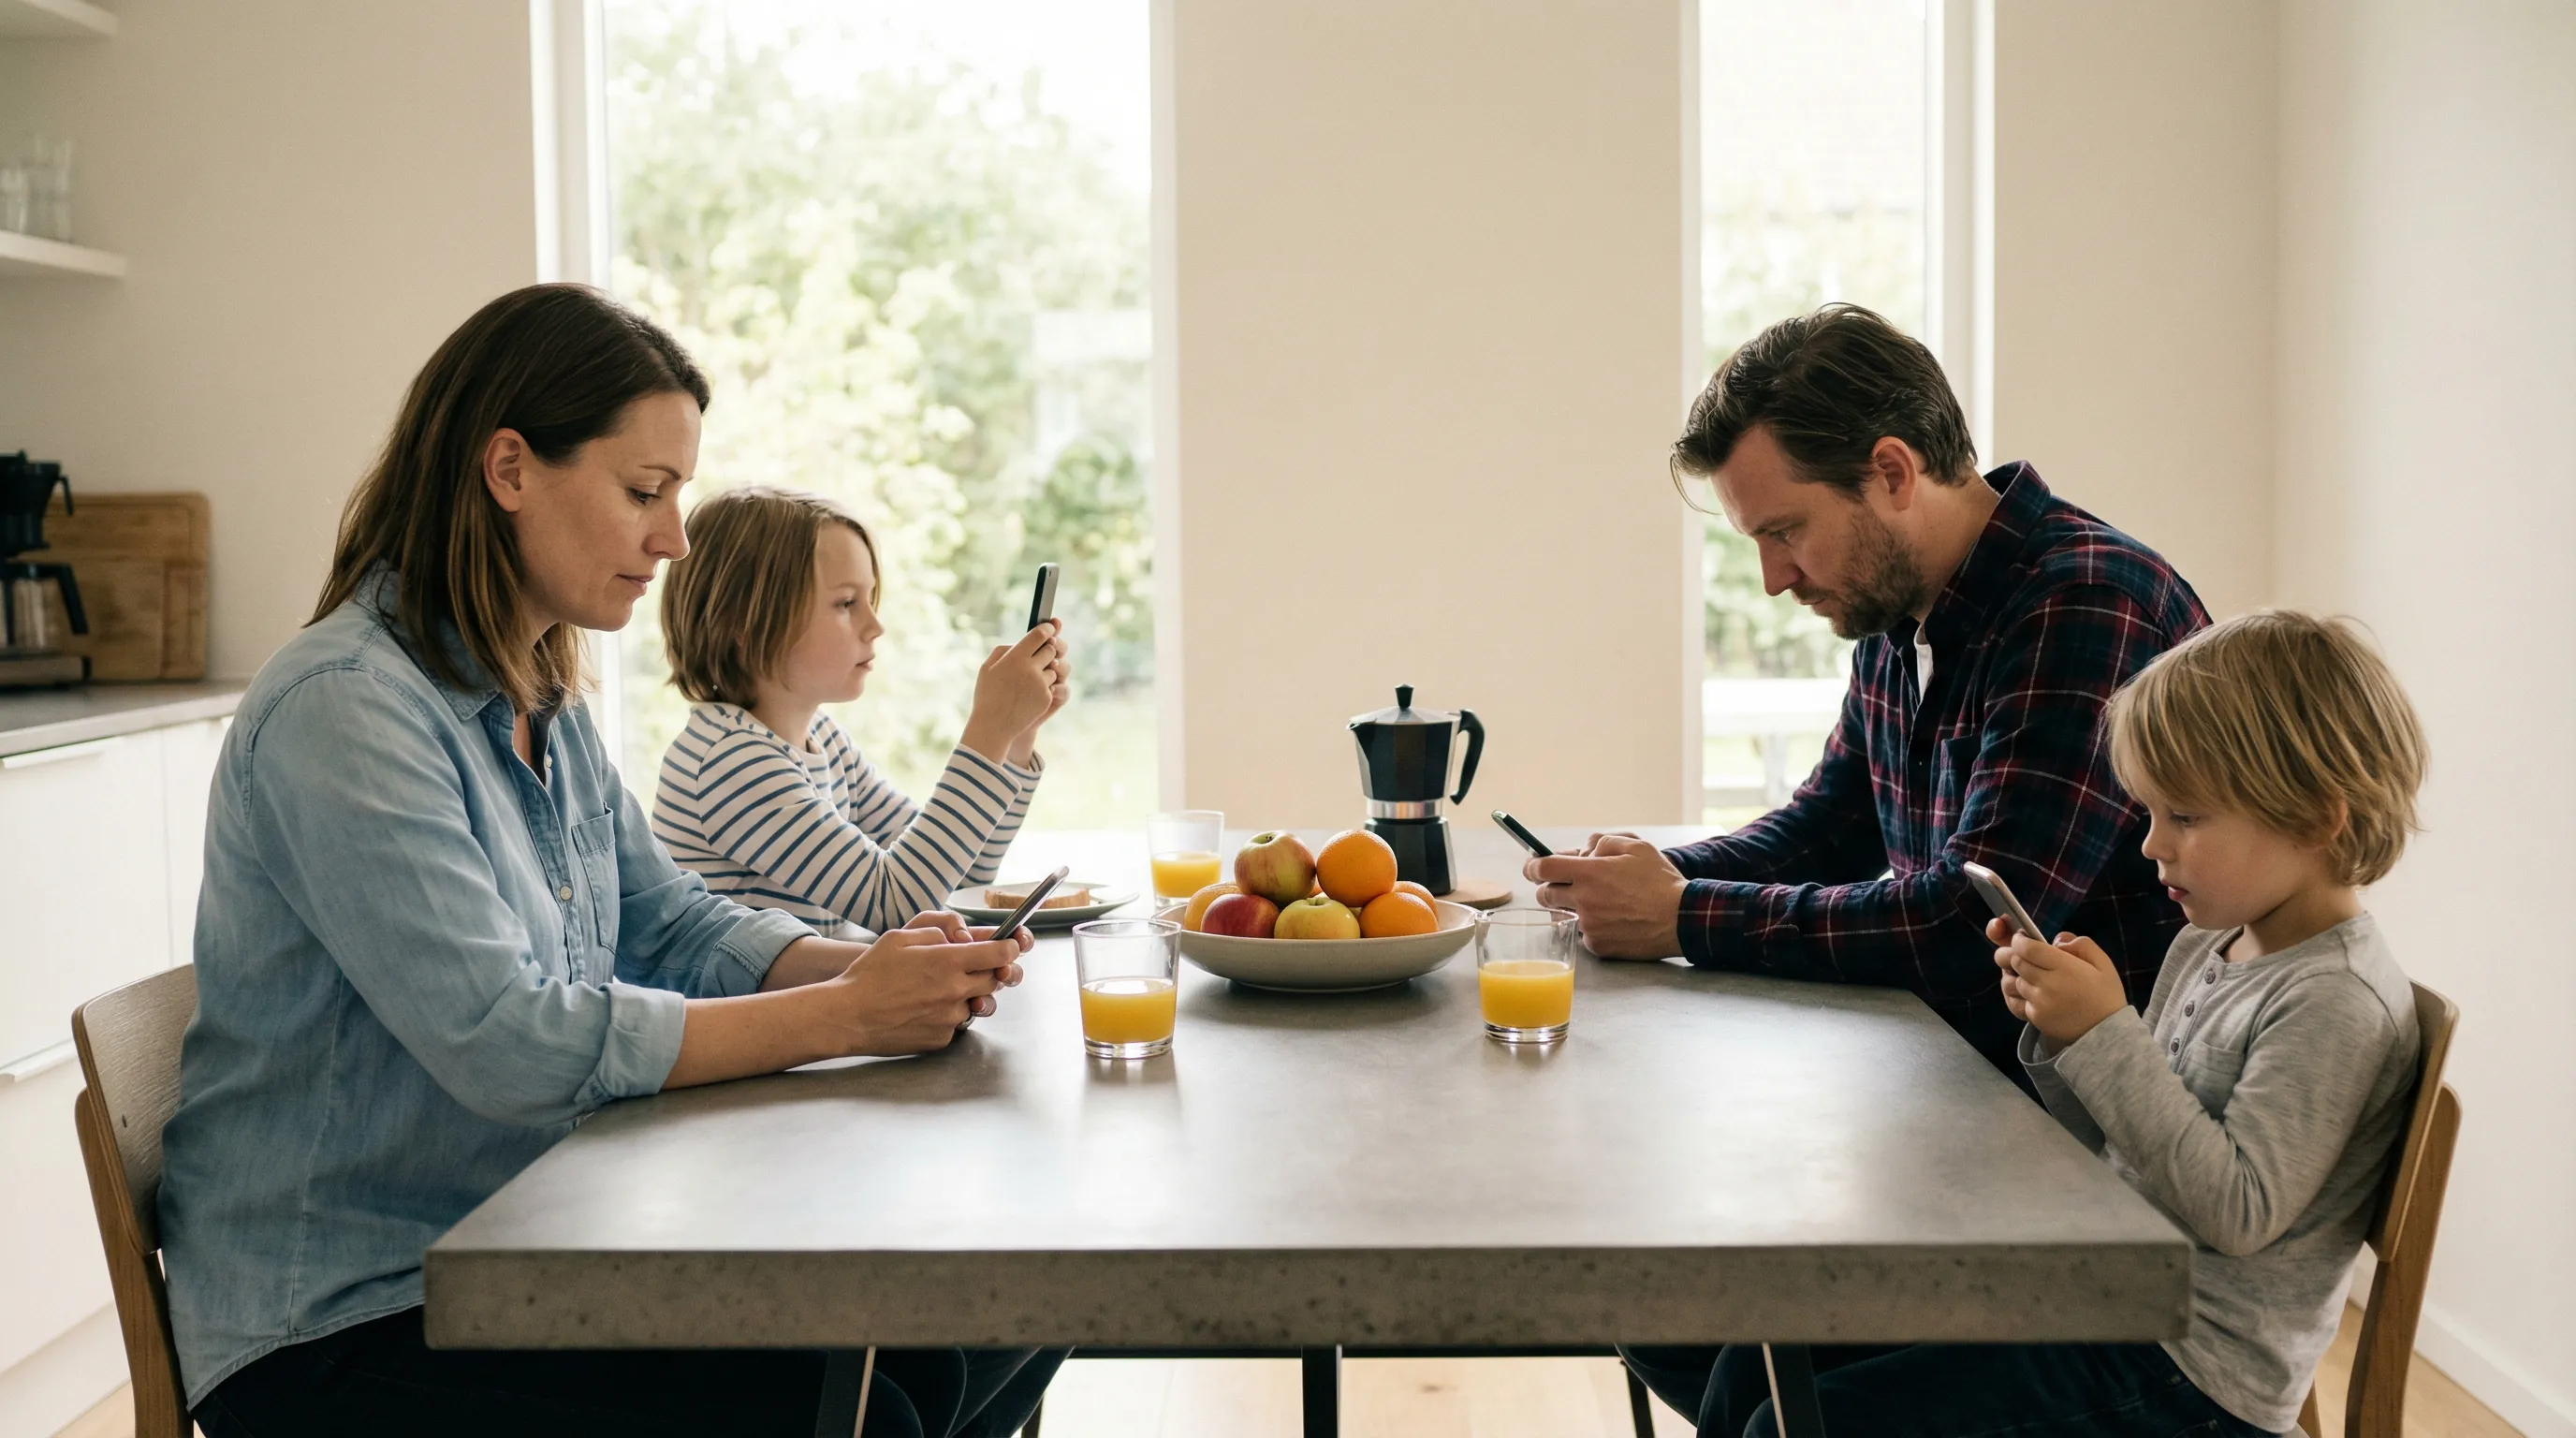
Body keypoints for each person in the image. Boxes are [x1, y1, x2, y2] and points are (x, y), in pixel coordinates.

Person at [157, 284, 1061, 1438]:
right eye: (646, 491)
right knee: (866, 1413)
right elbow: (507, 1039)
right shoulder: (346, 710)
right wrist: (845, 1015)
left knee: (974, 1327)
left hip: (536, 1245)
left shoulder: (542, 687)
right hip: (347, 1323)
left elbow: (666, 920)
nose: (675, 537)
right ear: (509, 469)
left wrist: (871, 962)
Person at [1628, 610, 2429, 1436]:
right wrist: (2061, 1035)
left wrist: (2107, 1035)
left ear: (2315, 816)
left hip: (2196, 1372)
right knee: (1756, 1367)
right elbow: (2126, 1150)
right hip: (2109, 1301)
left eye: (2184, 818)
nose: (2152, 845)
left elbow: (2235, 1212)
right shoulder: (2210, 944)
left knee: (1798, 1423)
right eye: (2150, 813)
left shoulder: (2335, 998)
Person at [1531, 304, 2208, 1082]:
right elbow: (1829, 827)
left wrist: (1680, 913)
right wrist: (1639, 884)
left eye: (1784, 532)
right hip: (1969, 1084)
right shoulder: (1895, 609)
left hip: (2104, 1134)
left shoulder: (2086, 602)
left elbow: (1971, 924)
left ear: (1892, 473)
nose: (1773, 579)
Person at [651, 485, 1067, 935]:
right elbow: (895, 902)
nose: (875, 625)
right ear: (742, 623)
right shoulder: (729, 760)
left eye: (870, 600)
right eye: (847, 603)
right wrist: (989, 727)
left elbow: (958, 878)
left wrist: (1016, 736)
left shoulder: (822, 739)